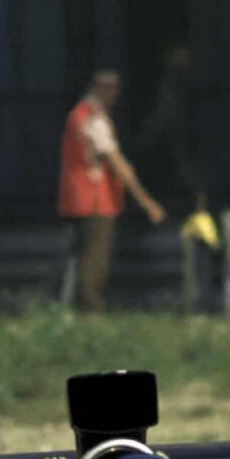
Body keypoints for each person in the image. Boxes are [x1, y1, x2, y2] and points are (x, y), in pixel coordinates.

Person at [57, 70, 167, 312]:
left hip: (78, 199)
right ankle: (92, 314)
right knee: (95, 263)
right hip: (95, 200)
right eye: (111, 89)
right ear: (100, 89)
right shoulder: (93, 119)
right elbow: (116, 161)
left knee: (82, 257)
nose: (115, 95)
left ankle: (76, 310)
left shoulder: (77, 115)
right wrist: (146, 200)